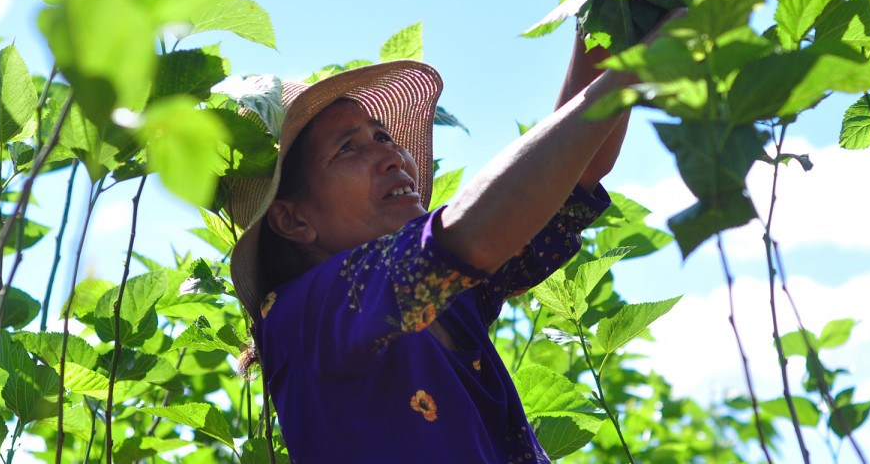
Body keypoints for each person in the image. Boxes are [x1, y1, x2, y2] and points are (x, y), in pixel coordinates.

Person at [225, 33, 637, 463]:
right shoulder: (302, 314)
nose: (393, 158)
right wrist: (632, 70)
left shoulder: (448, 299)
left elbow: (570, 174)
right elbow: (473, 233)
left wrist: (605, 8)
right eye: (347, 149)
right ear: (293, 221)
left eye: (383, 137)